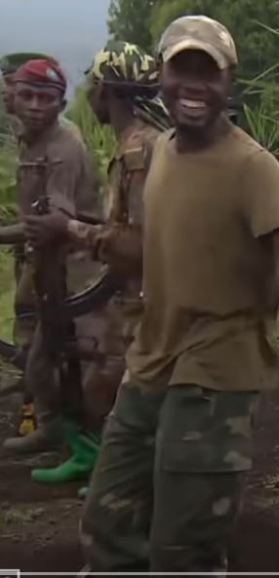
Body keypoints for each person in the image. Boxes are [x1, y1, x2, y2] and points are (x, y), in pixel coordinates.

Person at [79, 16, 279, 572]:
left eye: (209, 72)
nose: (194, 85)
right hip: (152, 362)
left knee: (185, 547)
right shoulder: (161, 155)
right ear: (161, 77)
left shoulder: (254, 169)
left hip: (218, 372)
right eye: (182, 69)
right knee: (108, 523)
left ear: (229, 82)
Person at [18, 43, 171, 489]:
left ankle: (137, 486)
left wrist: (71, 230)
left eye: (92, 85)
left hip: (149, 296)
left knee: (129, 390)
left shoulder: (138, 151)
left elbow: (142, 242)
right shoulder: (137, 143)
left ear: (106, 92)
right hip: (141, 292)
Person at [2, 58, 103, 461]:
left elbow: (55, 221)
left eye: (45, 98)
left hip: (81, 268)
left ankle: (93, 446)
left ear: (60, 105)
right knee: (43, 358)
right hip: (50, 264)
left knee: (89, 358)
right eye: (27, 95)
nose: (35, 105)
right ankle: (53, 429)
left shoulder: (63, 148)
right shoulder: (31, 141)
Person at [2, 52, 83, 139]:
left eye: (11, 83)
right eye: (5, 83)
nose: (3, 90)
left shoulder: (64, 134)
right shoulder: (18, 125)